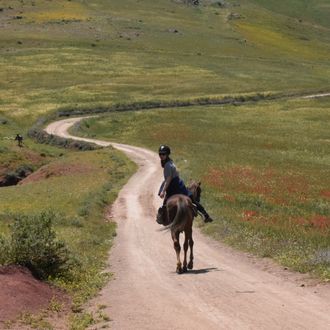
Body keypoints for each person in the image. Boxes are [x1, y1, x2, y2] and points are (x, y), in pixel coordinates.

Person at [157, 145, 213, 225]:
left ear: (167, 154)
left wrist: (163, 191)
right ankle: (205, 215)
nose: (161, 156)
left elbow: (168, 179)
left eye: (163, 154)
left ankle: (163, 219)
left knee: (165, 204)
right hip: (179, 184)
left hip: (173, 186)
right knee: (191, 199)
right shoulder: (170, 162)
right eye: (160, 154)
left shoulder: (167, 165)